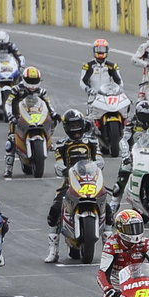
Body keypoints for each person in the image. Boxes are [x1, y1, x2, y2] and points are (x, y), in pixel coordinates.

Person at [44, 110, 103, 263]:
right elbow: (58, 163)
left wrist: (98, 165)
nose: (76, 128)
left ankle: (108, 248)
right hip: (69, 182)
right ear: (66, 127)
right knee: (56, 208)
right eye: (72, 125)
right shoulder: (62, 144)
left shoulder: (92, 142)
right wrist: (62, 169)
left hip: (92, 181)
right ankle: (53, 250)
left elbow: (100, 159)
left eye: (78, 124)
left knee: (107, 208)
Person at [3, 66, 50, 178]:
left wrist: (54, 113)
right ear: (24, 79)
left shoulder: (42, 91)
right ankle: (8, 169)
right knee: (11, 140)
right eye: (30, 81)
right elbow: (8, 103)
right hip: (18, 118)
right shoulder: (16, 89)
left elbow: (48, 103)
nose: (32, 84)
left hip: (36, 116)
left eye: (34, 81)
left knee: (50, 126)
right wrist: (10, 115)